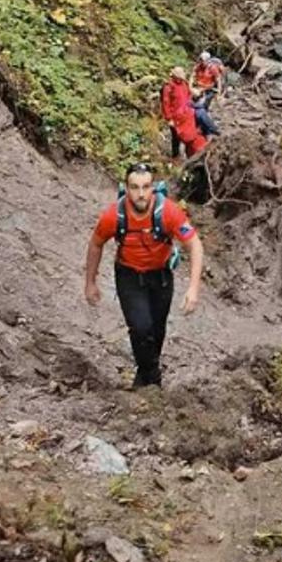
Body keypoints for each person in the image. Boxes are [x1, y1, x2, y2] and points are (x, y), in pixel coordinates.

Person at [84, 162, 204, 389]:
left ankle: (144, 374)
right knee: (140, 326)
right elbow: (95, 244)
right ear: (126, 188)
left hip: (161, 276)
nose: (141, 194)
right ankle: (153, 378)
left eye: (146, 187)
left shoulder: (168, 211)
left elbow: (194, 245)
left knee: (156, 329)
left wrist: (193, 288)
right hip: (129, 275)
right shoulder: (114, 215)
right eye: (135, 187)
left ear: (153, 188)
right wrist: (90, 282)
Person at [160, 67, 192, 158]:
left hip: (185, 114)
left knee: (188, 134)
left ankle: (188, 155)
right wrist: (169, 119)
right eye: (179, 77)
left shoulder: (184, 84)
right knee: (176, 138)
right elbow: (165, 103)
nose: (180, 79)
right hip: (174, 116)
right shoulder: (168, 87)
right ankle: (175, 156)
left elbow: (188, 95)